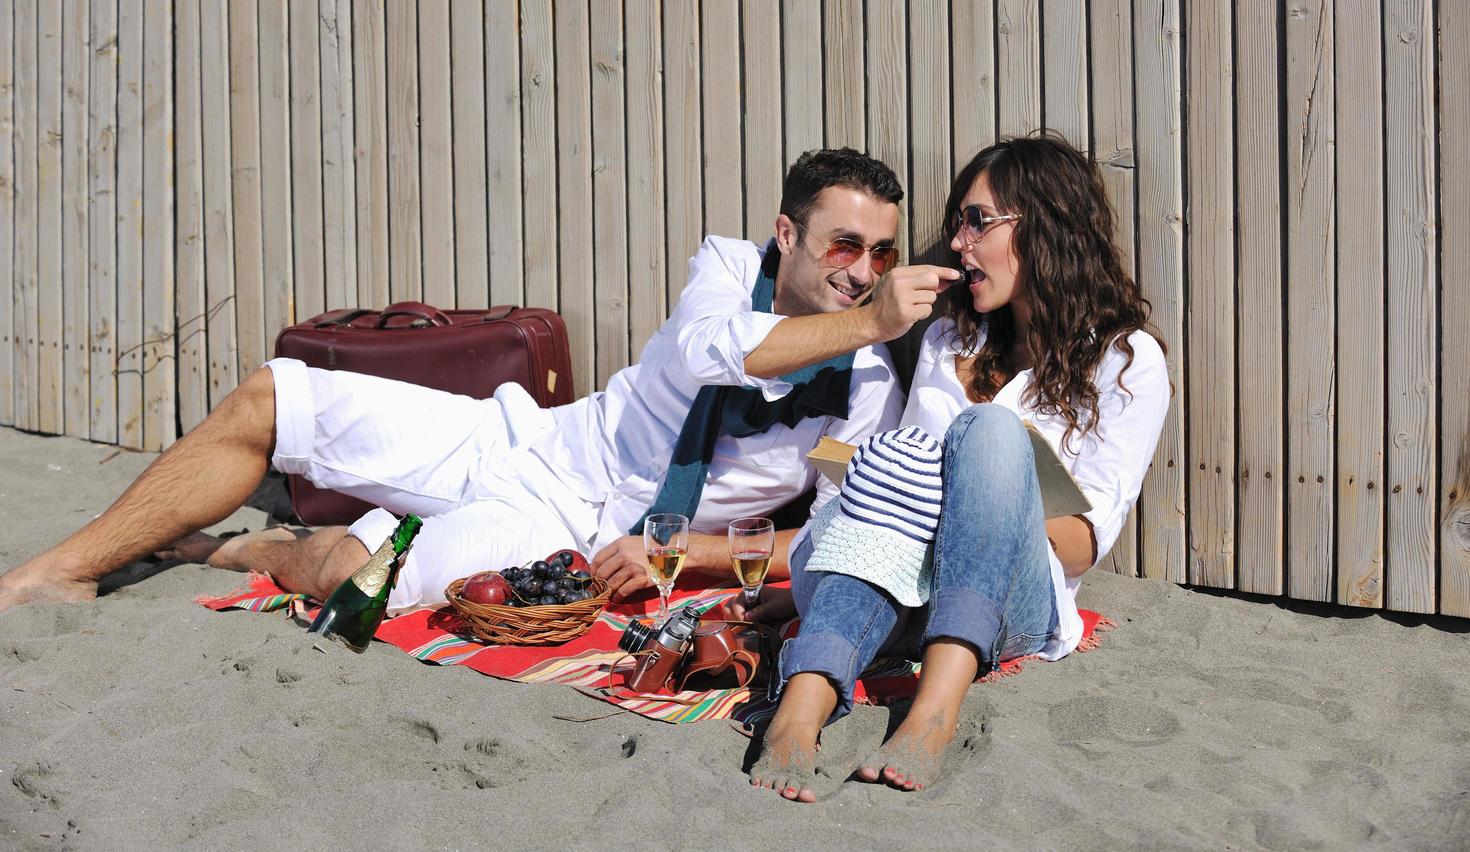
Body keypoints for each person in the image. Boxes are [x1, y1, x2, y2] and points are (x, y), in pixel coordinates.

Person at [0, 149, 964, 614]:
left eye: (882, 254)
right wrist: (871, 316)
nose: (863, 268)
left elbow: (842, 523)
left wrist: (702, 553)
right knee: (274, 393)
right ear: (789, 234)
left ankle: (230, 550)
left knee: (360, 585)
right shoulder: (726, 269)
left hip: (580, 523)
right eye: (846, 243)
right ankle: (54, 573)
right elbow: (716, 353)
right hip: (533, 440)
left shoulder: (868, 376)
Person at [743, 134, 1170, 802]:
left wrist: (983, 486)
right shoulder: (951, 338)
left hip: (1014, 600)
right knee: (900, 467)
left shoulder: (1126, 361)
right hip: (900, 577)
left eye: (978, 222)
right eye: (957, 224)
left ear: (1047, 225)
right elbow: (890, 500)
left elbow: (1087, 544)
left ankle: (935, 713)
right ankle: (797, 713)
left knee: (990, 433)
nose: (958, 243)